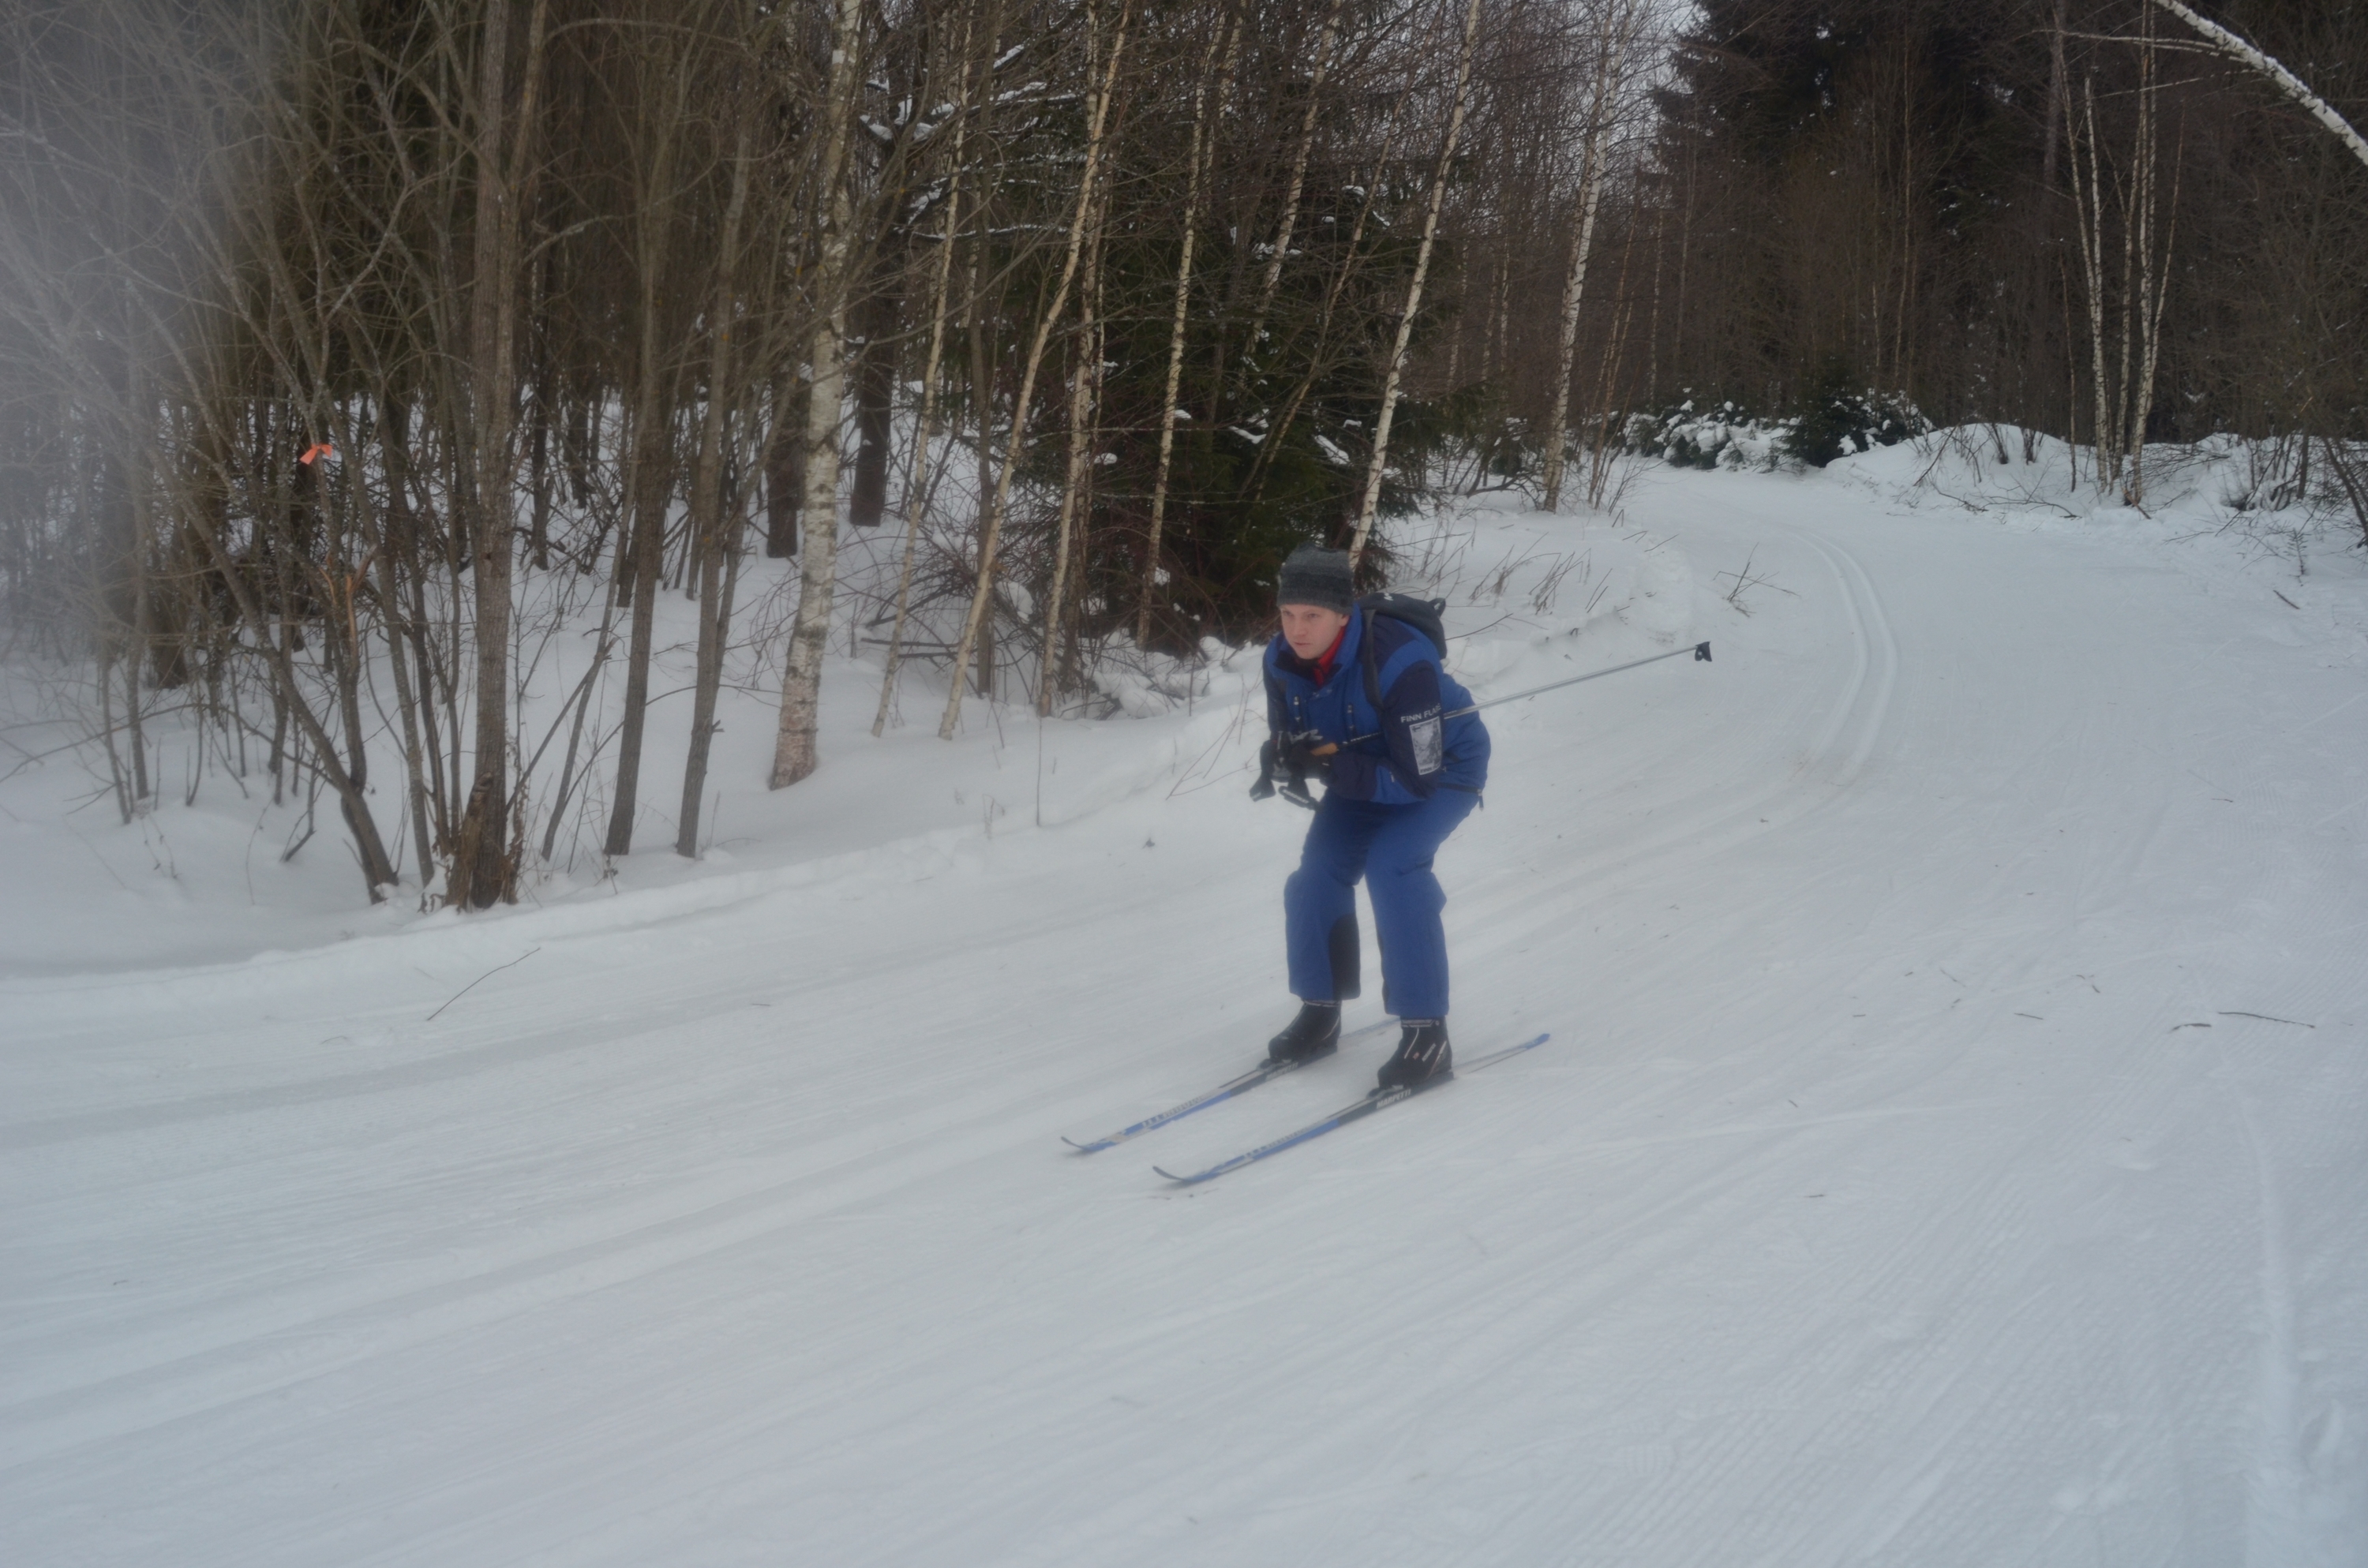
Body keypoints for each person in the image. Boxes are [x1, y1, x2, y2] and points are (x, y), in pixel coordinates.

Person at [1250, 542, 1490, 1090]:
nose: (1297, 630)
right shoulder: (1279, 660)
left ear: (1343, 614)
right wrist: (1284, 756)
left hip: (1443, 769)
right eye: (1287, 614)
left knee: (1394, 865)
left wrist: (1329, 766)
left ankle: (1427, 1033)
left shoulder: (1401, 661)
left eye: (1312, 616)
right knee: (1316, 875)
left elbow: (1418, 779)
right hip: (1360, 771)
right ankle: (1320, 1011)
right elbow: (1291, 732)